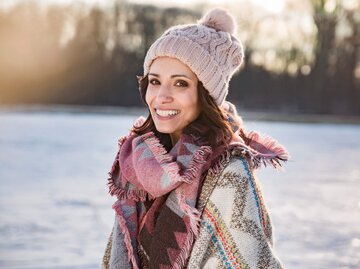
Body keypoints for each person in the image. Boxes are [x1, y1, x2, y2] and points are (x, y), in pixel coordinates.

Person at [102, 8, 289, 269]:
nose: (162, 95)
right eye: (155, 81)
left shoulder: (229, 171)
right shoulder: (138, 164)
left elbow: (250, 261)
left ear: (206, 95)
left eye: (180, 84)